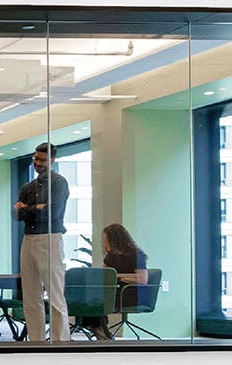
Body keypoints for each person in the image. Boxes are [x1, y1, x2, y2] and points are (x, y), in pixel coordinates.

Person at [16, 142, 70, 342]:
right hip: (28, 239)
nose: (37, 163)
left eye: (42, 160)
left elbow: (52, 213)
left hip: (50, 239)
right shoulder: (27, 187)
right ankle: (36, 341)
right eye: (35, 159)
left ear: (53, 160)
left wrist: (28, 209)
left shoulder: (58, 183)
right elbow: (16, 215)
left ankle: (60, 341)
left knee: (55, 295)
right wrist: (35, 208)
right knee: (30, 296)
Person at [80, 223, 149, 341]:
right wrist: (90, 273)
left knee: (96, 301)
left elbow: (143, 279)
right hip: (114, 292)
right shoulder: (111, 257)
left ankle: (102, 334)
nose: (104, 243)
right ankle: (102, 332)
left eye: (105, 240)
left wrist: (117, 276)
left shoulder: (136, 255)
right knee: (88, 300)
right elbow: (104, 274)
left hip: (130, 294)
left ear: (115, 240)